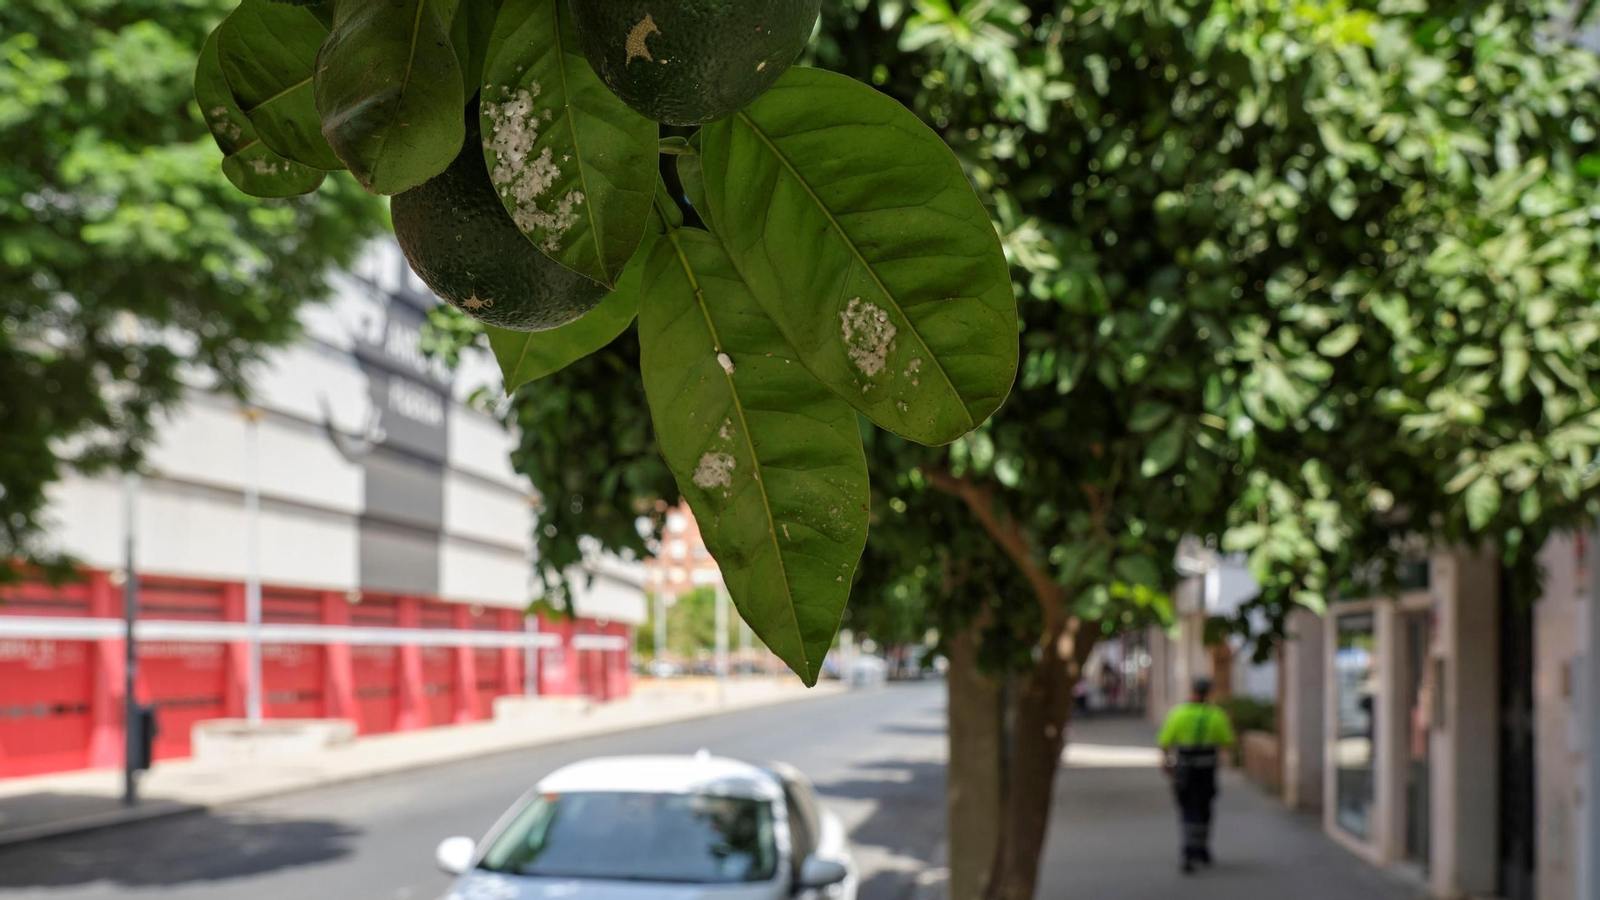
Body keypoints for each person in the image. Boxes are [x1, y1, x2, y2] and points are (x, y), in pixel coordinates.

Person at [1157, 677, 1237, 873]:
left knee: (1187, 809)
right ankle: (1201, 849)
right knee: (1204, 808)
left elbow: (1165, 741)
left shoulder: (1179, 714)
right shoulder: (1216, 715)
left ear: (1192, 690)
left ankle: (1189, 849)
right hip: (1207, 770)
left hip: (1185, 769)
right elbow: (1228, 742)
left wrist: (1166, 762)